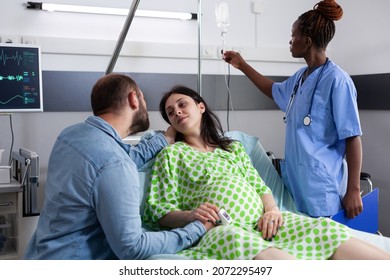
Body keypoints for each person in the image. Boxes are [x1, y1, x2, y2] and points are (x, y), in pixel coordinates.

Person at [143, 85, 390, 260]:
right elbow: (160, 212)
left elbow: (259, 186)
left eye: (182, 104)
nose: (176, 112)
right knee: (250, 247)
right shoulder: (171, 155)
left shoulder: (232, 148)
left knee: (325, 230)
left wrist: (272, 211)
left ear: (201, 106)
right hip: (219, 229)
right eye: (170, 112)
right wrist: (191, 216)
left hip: (264, 222)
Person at [24, 74, 214, 260]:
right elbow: (133, 248)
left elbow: (119, 160)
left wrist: (162, 140)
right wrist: (195, 230)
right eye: (143, 99)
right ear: (134, 99)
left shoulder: (69, 135)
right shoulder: (116, 164)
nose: (176, 113)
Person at [223, 0, 362, 219]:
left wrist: (354, 189)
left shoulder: (338, 80)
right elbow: (273, 90)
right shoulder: (300, 78)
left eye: (293, 35)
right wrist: (242, 65)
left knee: (327, 245)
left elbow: (352, 137)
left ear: (306, 41)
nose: (290, 40)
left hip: (323, 186)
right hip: (297, 182)